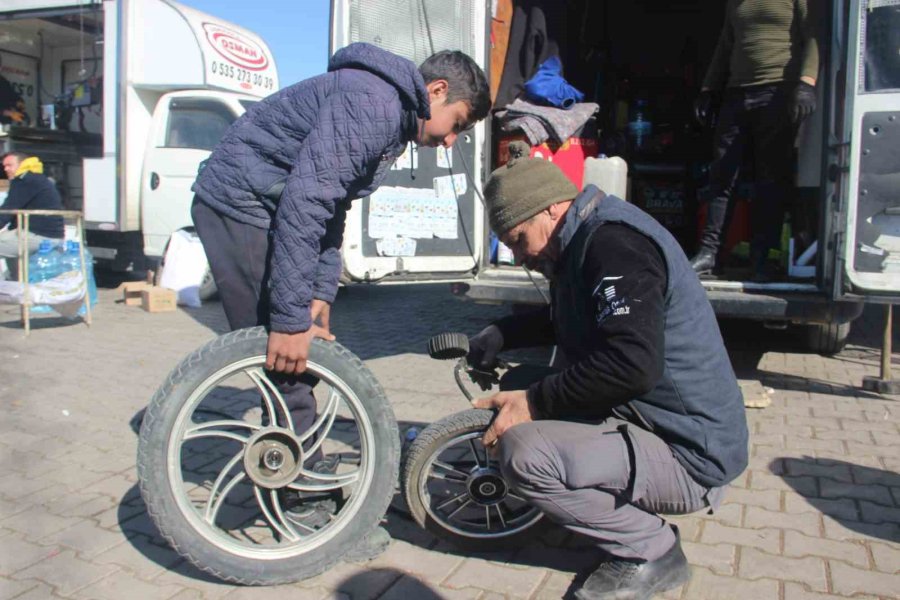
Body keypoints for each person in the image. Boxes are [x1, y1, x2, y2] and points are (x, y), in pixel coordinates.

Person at [191, 42, 490, 558]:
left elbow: (332, 204)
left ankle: (302, 471)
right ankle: (299, 502)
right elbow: (305, 202)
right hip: (238, 205)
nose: (451, 141)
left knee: (296, 354)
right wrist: (288, 317)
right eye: (458, 123)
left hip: (269, 204)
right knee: (286, 359)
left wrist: (321, 290)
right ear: (436, 92)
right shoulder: (373, 104)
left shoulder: (391, 116)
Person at [467, 142, 748, 600]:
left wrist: (535, 403)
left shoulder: (616, 244)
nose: (520, 256)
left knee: (524, 452)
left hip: (694, 455)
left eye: (519, 239)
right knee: (519, 385)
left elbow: (631, 365)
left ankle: (652, 551)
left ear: (552, 208)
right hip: (657, 422)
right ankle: (592, 498)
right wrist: (500, 333)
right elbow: (575, 317)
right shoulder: (581, 238)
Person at [690, 0, 821, 280]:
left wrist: (806, 83)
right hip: (737, 93)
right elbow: (726, 43)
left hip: (778, 91)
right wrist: (709, 87)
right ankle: (709, 254)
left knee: (770, 178)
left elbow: (812, 36)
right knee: (721, 175)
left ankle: (761, 258)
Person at [0, 152, 64, 279]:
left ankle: (16, 284)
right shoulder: (38, 178)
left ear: (22, 164)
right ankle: (18, 286)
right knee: (9, 245)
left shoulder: (24, 180)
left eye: (9, 165)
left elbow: (8, 209)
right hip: (50, 236)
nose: (6, 169)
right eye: (4, 166)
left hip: (37, 236)